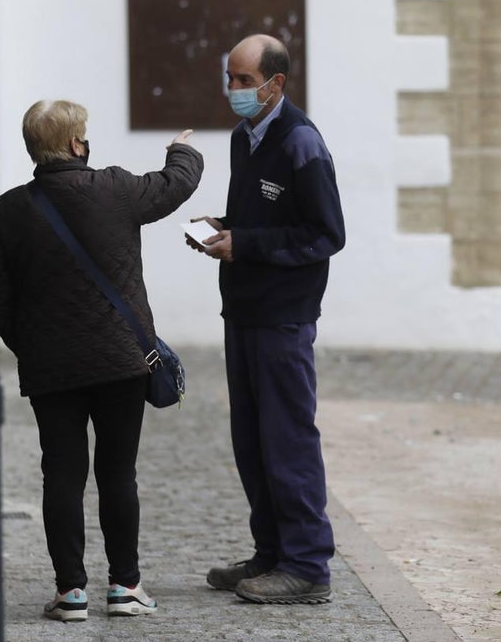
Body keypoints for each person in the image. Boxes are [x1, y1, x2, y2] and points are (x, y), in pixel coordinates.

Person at [0, 99, 202, 622]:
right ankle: (125, 586)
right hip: (121, 363)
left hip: (51, 370)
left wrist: (32, 346)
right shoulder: (115, 188)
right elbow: (174, 185)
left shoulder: (10, 209)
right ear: (75, 144)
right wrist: (181, 151)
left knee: (61, 475)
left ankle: (70, 593)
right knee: (118, 473)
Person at [189, 34, 346, 604]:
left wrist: (247, 244)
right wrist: (222, 229)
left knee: (287, 438)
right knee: (252, 440)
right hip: (244, 309)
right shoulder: (243, 137)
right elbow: (261, 219)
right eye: (229, 78)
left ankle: (307, 566)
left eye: (244, 81)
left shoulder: (302, 143)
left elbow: (326, 234)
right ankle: (272, 553)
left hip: (283, 316)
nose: (232, 89)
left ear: (275, 84)